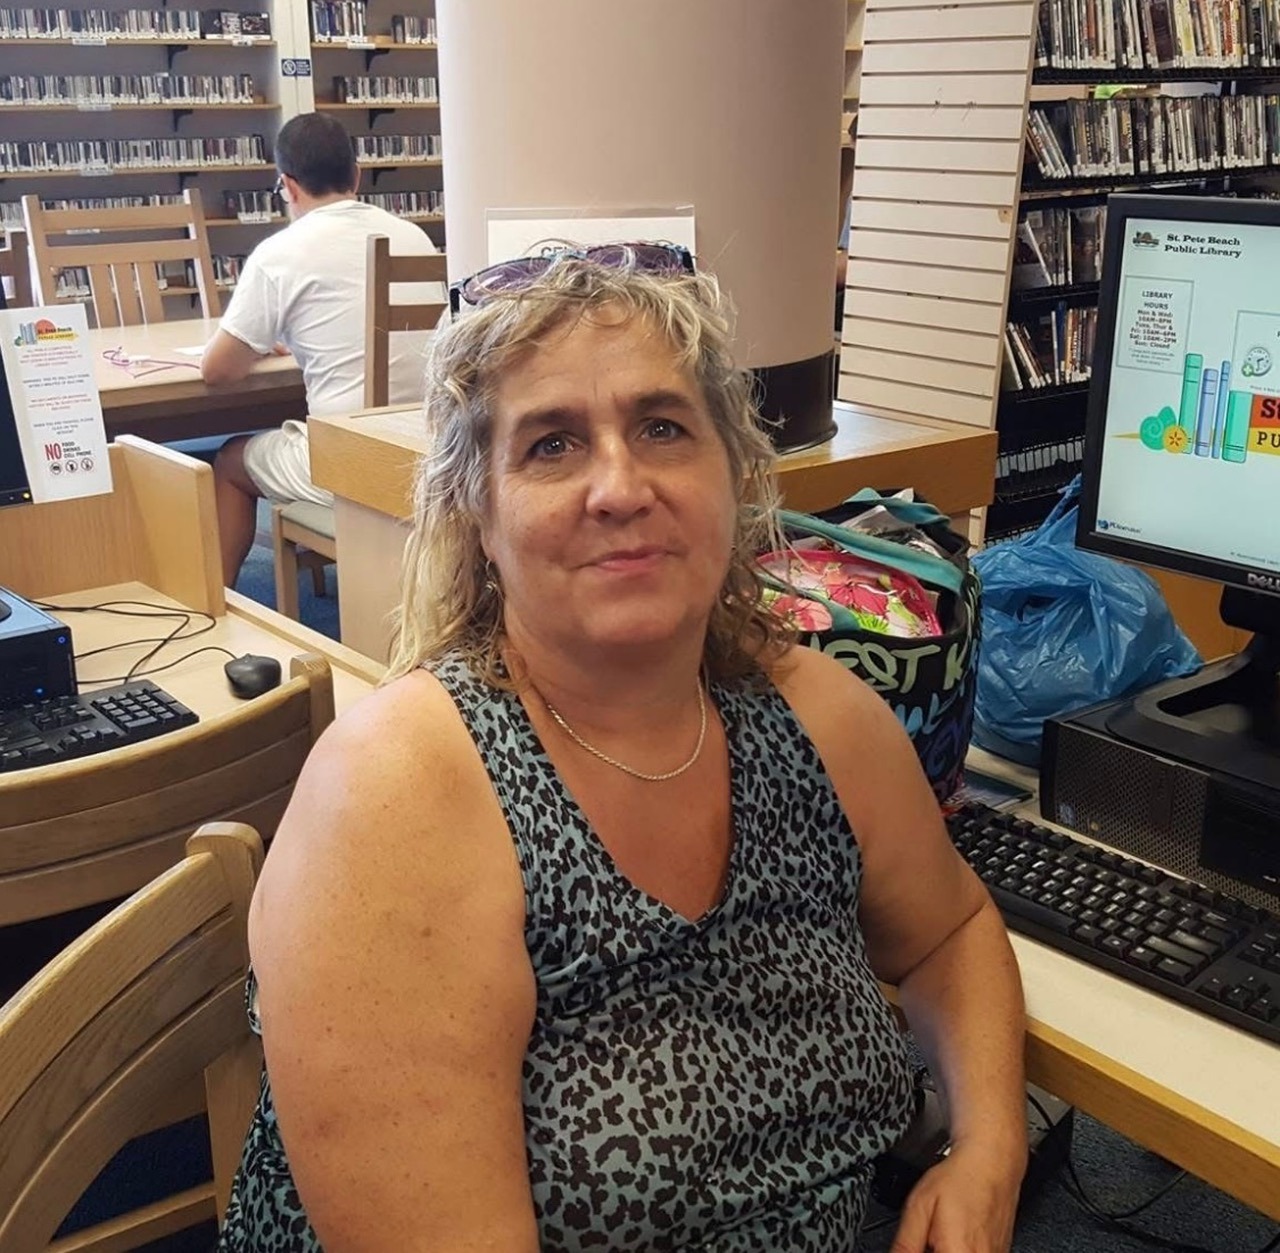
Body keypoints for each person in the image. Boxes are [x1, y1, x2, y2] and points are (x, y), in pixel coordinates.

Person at [218, 247, 1028, 1253]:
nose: (620, 485)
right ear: (478, 512)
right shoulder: (398, 795)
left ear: (733, 474)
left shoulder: (814, 717)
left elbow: (950, 931)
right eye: (552, 445)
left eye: (661, 427)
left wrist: (988, 1148)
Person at [202, 111, 440, 586]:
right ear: (357, 175)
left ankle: (222, 603)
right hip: (426, 452)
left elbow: (218, 371)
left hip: (351, 461)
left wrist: (259, 345)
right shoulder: (414, 236)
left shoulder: (280, 252)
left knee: (228, 461)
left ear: (289, 186)